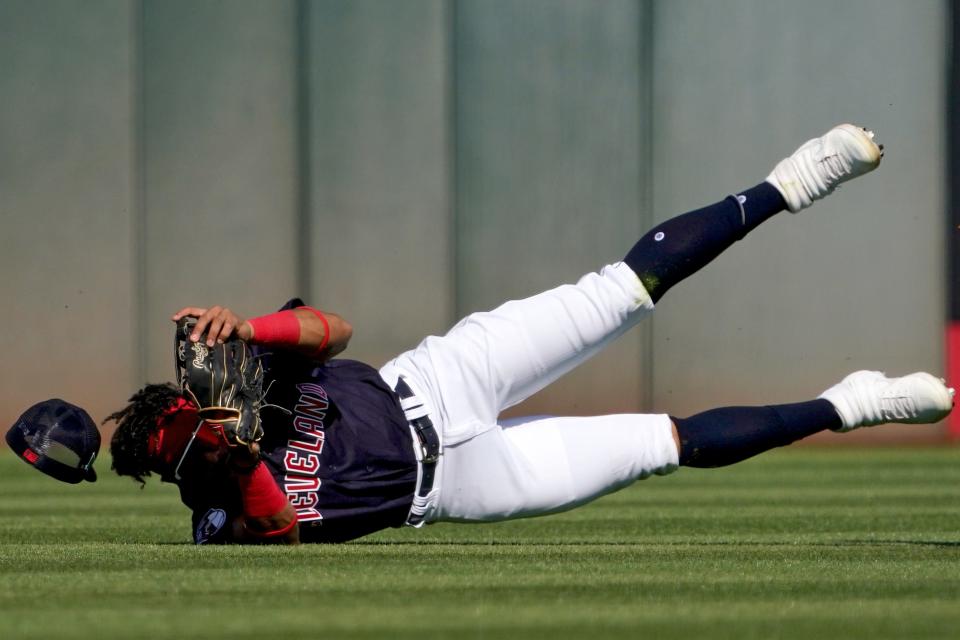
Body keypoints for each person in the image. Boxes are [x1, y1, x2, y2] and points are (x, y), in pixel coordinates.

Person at [105, 124, 954, 545]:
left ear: (188, 394)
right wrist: (234, 457)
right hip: (460, 488)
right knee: (666, 445)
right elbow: (281, 529)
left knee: (621, 291)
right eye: (178, 453)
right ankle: (850, 403)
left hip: (438, 380)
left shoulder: (247, 369)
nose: (205, 431)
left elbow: (335, 329)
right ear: (167, 475)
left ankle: (787, 182)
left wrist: (247, 328)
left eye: (190, 418)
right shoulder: (217, 519)